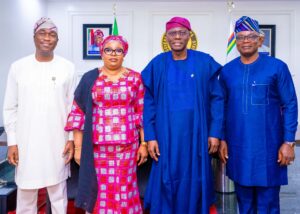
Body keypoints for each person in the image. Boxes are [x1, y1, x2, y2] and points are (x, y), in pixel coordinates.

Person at [142, 16, 224, 213]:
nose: (177, 37)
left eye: (182, 32)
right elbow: (149, 103)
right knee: (166, 177)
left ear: (189, 35)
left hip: (198, 135)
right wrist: (150, 137)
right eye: (172, 33)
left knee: (195, 177)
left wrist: (215, 132)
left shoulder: (204, 62)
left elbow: (217, 99)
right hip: (165, 136)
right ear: (167, 37)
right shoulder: (157, 64)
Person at [219, 16, 298, 214]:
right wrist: (222, 139)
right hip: (238, 148)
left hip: (269, 148)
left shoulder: (277, 67)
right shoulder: (227, 71)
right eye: (241, 37)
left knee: (268, 204)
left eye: (251, 36)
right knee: (244, 203)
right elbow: (221, 106)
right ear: (235, 41)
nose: (246, 41)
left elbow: (290, 104)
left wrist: (288, 142)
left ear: (260, 40)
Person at [65, 35, 148, 213]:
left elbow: (141, 112)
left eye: (118, 50)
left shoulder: (135, 78)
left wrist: (144, 143)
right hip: (97, 148)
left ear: (124, 53)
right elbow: (78, 112)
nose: (113, 54)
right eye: (108, 50)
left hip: (127, 147)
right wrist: (79, 148)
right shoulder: (90, 78)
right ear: (102, 52)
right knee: (100, 190)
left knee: (125, 188)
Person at [3, 17, 76, 213]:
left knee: (59, 194)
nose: (47, 38)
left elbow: (73, 108)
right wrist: (12, 142)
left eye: (52, 34)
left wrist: (71, 139)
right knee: (26, 195)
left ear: (57, 40)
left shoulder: (67, 68)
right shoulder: (18, 67)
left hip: (57, 142)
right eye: (42, 33)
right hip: (27, 142)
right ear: (34, 37)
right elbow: (10, 107)